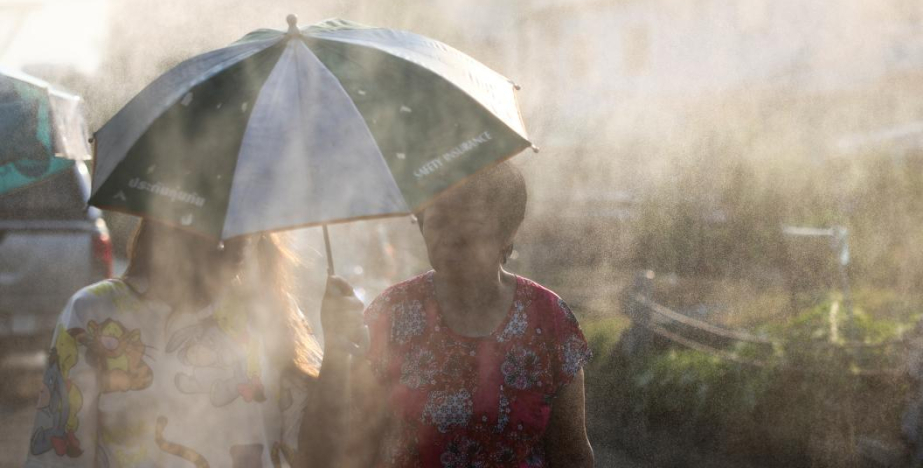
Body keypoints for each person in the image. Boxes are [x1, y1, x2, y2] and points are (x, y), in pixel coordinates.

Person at [24, 219, 364, 468]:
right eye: (224, 212)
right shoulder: (94, 315)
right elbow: (57, 458)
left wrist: (336, 353)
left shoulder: (270, 315)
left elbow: (318, 458)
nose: (243, 234)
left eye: (250, 209)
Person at [354, 162, 595, 467]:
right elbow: (359, 444)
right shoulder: (391, 314)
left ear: (507, 232)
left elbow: (572, 453)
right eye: (438, 220)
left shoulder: (548, 318)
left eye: (469, 225)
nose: (450, 238)